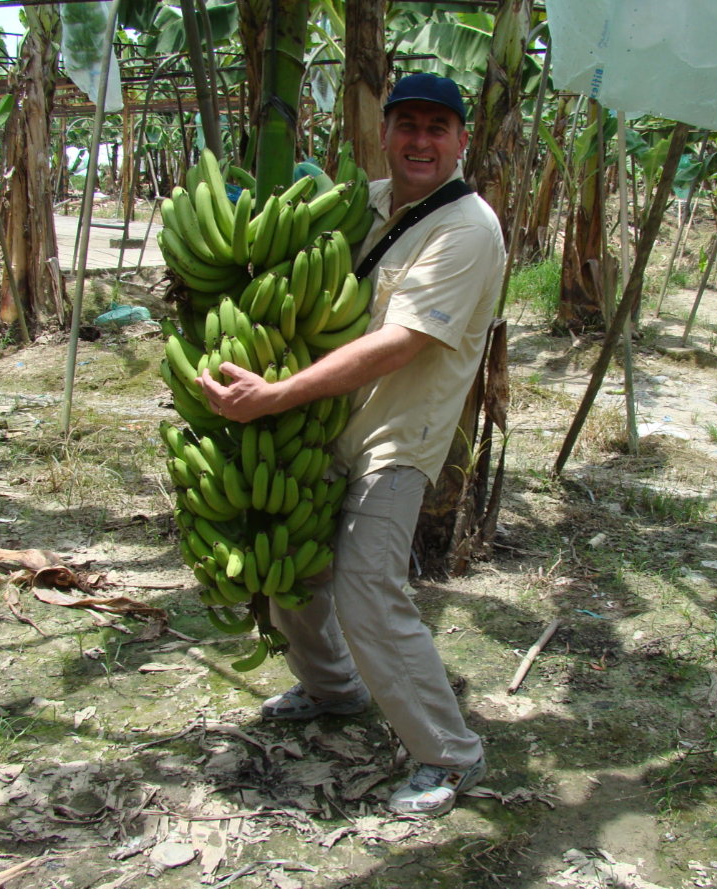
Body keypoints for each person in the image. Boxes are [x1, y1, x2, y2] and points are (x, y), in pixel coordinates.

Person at [198, 73, 506, 816]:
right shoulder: (356, 204)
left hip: (399, 433)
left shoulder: (466, 230)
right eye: (408, 125)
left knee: (366, 585)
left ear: (461, 140)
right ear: (385, 132)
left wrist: (274, 395)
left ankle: (448, 754)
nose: (421, 141)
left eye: (439, 127)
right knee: (291, 567)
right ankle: (333, 686)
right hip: (325, 421)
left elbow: (399, 342)